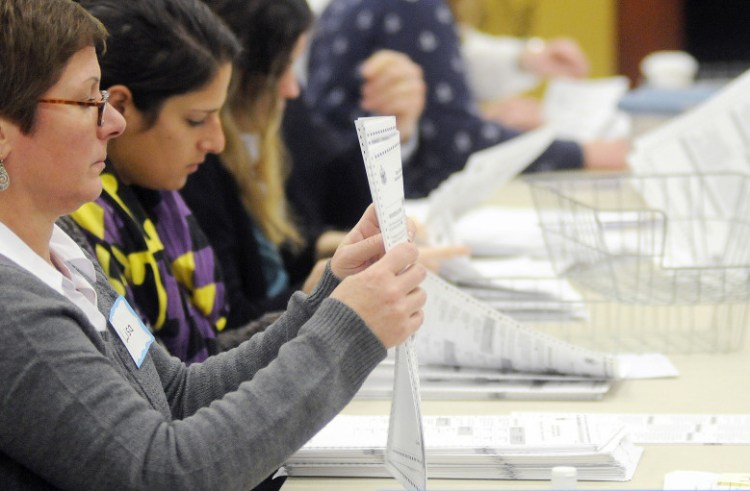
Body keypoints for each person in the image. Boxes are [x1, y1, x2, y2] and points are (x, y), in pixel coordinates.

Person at [0, 0, 426, 489]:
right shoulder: (13, 308)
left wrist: (329, 300)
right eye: (87, 102)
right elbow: (164, 473)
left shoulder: (59, 254)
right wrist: (347, 331)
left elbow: (177, 394)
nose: (112, 124)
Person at [305, 0, 628, 198]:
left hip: (335, 198)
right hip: (373, 206)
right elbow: (452, 143)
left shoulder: (345, 6)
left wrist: (487, 113)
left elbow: (441, 99)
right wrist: (581, 153)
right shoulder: (413, 6)